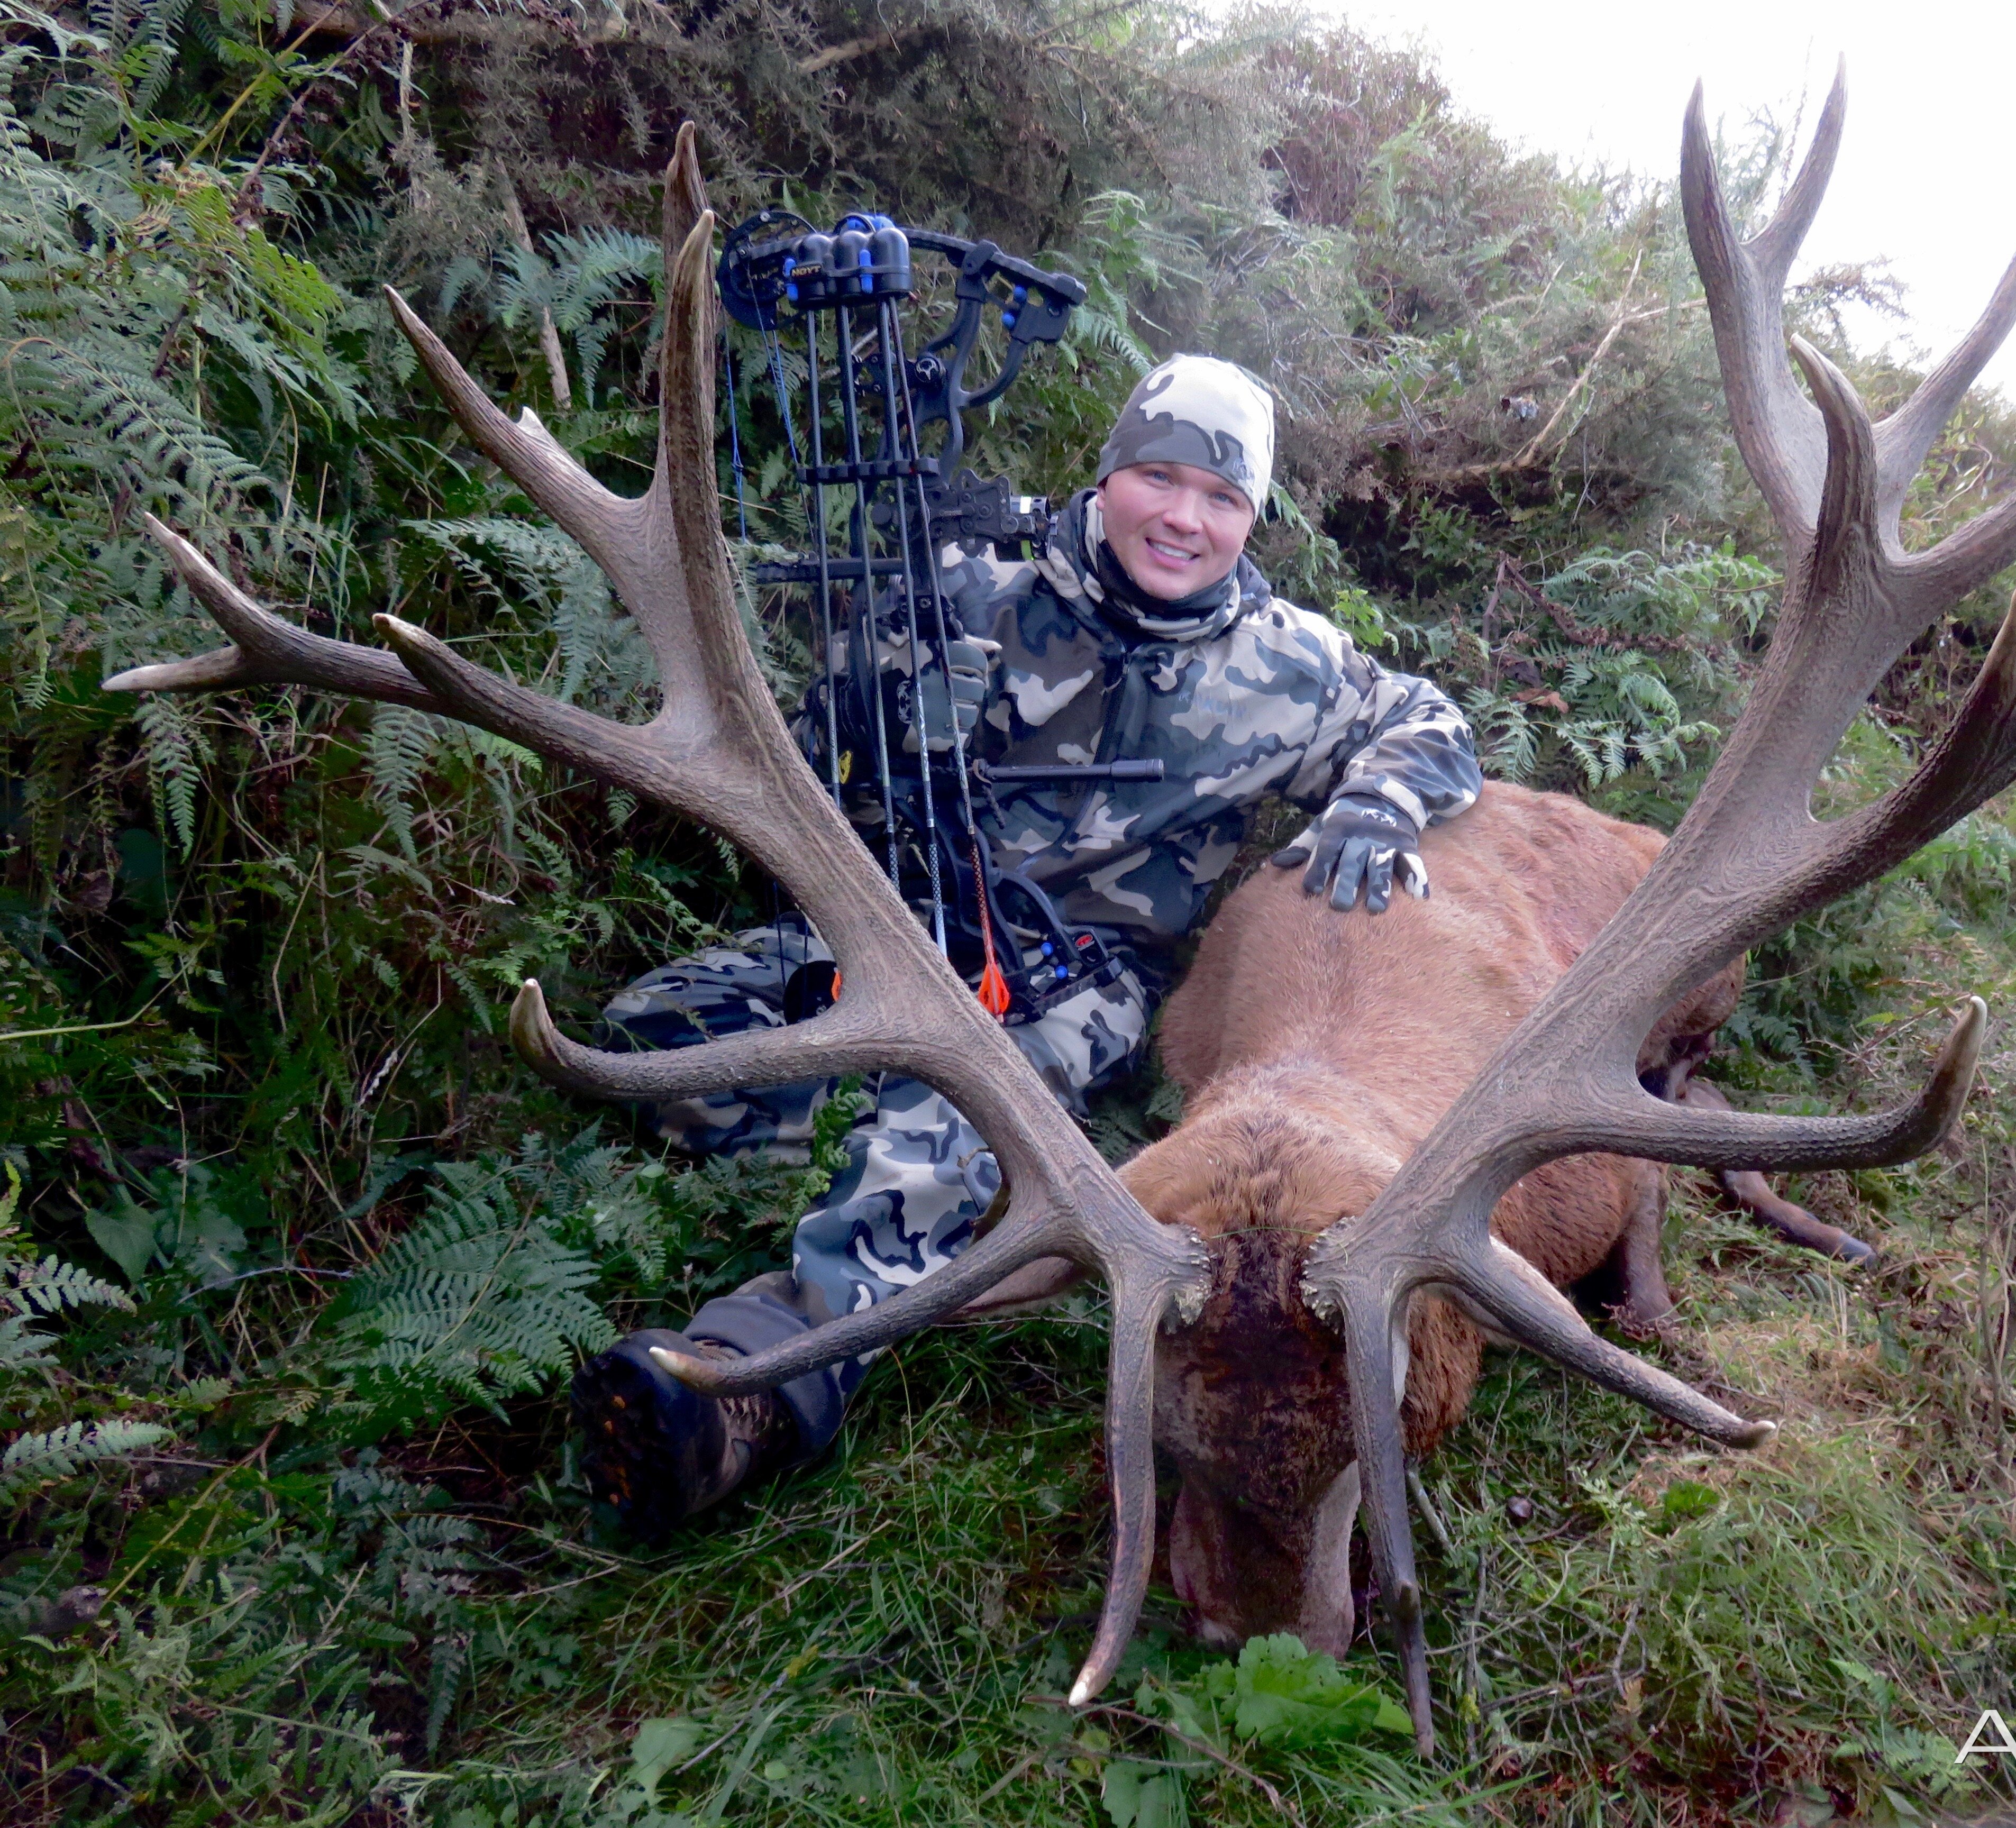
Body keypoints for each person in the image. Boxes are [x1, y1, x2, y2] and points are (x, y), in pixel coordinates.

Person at [570, 355, 1482, 1541]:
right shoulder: (969, 593)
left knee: (938, 1108)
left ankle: (758, 1376)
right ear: (1109, 478)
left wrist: (1376, 805)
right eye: (1159, 477)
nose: (1185, 519)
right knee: (651, 1043)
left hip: (1084, 979)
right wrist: (878, 655)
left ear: (1251, 520)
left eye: (1221, 498)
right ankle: (976, 1182)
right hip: (900, 927)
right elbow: (815, 755)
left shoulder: (1292, 665)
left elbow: (1426, 719)